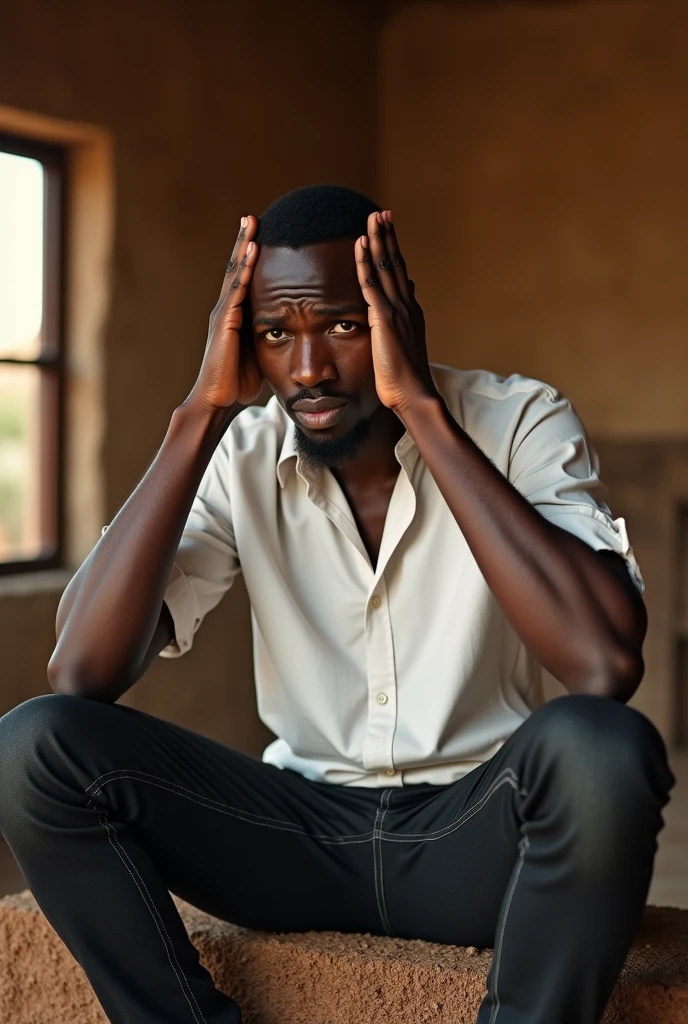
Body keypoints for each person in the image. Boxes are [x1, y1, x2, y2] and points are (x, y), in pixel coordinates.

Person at [0, 185, 674, 1024]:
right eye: (276, 334)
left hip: (476, 838)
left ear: (397, 314)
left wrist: (420, 409)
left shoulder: (518, 419)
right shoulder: (240, 452)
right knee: (33, 746)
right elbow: (81, 669)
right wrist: (202, 412)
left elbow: (603, 661)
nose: (308, 368)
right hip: (294, 841)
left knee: (603, 748)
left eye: (343, 326)